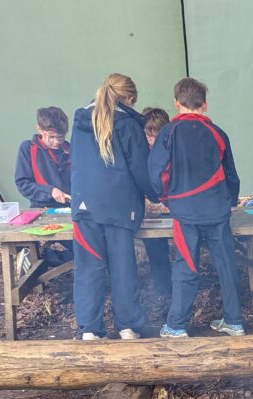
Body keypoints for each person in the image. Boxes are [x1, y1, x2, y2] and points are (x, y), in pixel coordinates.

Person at [149, 78, 242, 338]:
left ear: (177, 103)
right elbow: (231, 175)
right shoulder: (218, 133)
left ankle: (177, 325)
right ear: (205, 104)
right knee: (226, 264)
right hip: (218, 210)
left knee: (186, 265)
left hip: (185, 212)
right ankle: (235, 322)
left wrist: (166, 199)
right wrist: (231, 201)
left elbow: (157, 174)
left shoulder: (168, 132)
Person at [70, 73, 156, 340]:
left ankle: (89, 330)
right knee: (123, 267)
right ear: (129, 98)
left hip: (85, 205)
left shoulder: (80, 120)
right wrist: (156, 195)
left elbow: (76, 163)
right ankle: (128, 326)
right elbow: (141, 168)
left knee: (88, 268)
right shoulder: (128, 124)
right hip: (120, 206)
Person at [14, 106, 72, 268]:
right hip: (42, 212)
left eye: (60, 137)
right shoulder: (28, 149)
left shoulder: (70, 150)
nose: (56, 142)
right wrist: (50, 191)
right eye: (51, 137)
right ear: (39, 129)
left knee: (89, 249)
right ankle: (37, 259)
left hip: (71, 211)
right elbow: (23, 184)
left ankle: (41, 259)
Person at [140, 107, 173, 298]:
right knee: (156, 248)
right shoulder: (141, 152)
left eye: (155, 136)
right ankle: (162, 291)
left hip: (172, 205)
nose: (151, 140)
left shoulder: (172, 148)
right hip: (150, 207)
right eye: (148, 136)